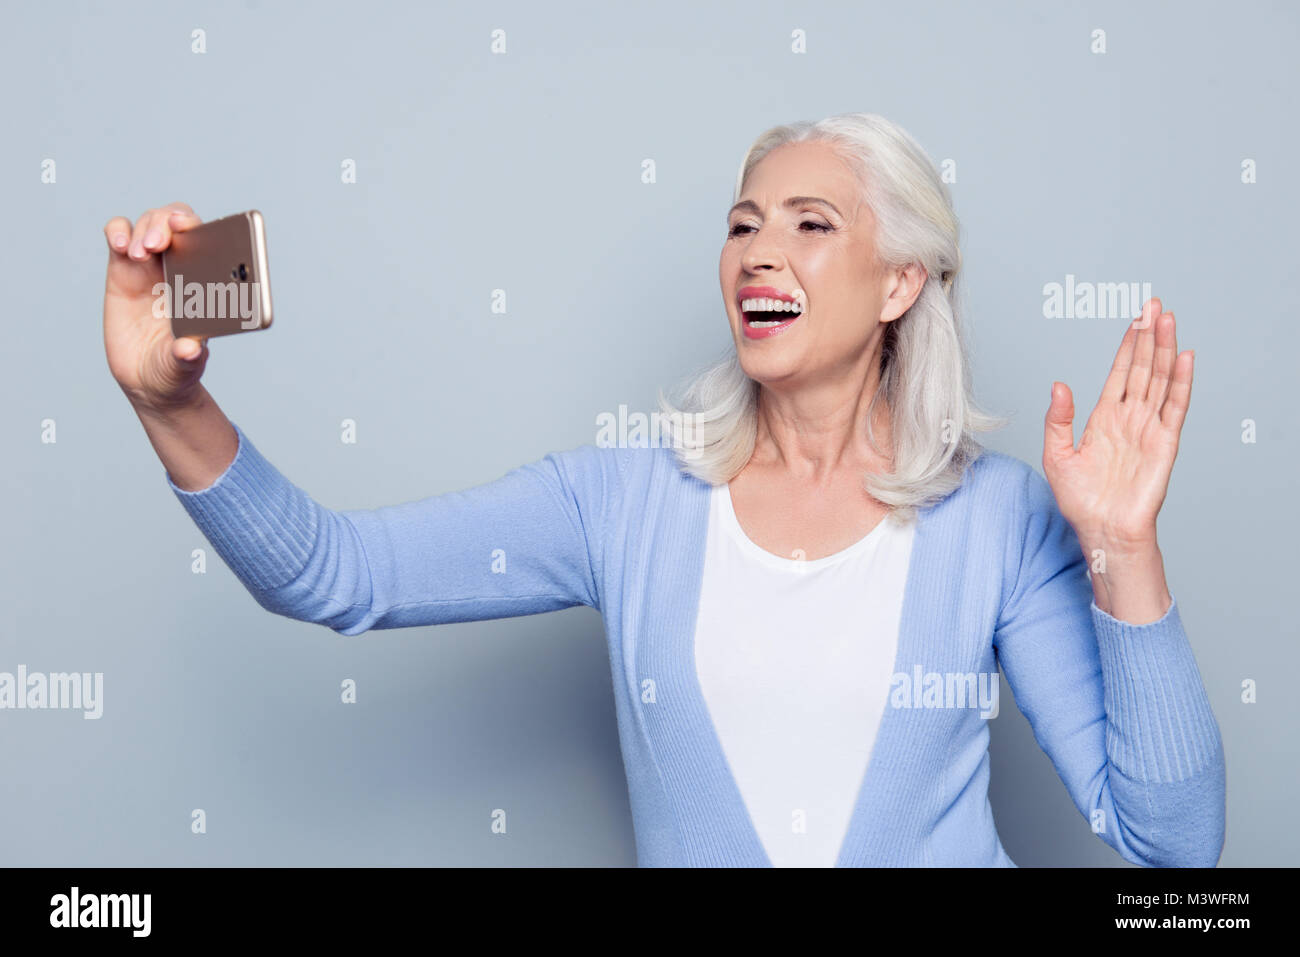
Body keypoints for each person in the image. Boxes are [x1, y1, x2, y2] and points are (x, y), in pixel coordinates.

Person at [101, 112, 1224, 867]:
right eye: (740, 225)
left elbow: (1170, 848)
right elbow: (332, 574)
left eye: (808, 226)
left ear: (899, 285)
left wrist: (1122, 544)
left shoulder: (1000, 521)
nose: (755, 252)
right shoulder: (623, 503)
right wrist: (169, 405)